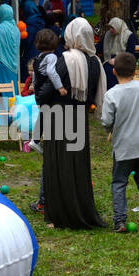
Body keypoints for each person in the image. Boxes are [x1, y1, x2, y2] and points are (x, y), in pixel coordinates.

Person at [39, 18, 105, 230]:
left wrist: (38, 96)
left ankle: (59, 215)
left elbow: (48, 90)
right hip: (79, 116)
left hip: (57, 115)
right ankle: (80, 208)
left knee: (57, 166)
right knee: (77, 166)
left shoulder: (65, 59)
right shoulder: (95, 62)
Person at [100, 52, 139, 233]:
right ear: (135, 71)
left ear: (114, 71)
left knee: (119, 182)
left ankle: (120, 221)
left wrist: (110, 129)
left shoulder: (111, 94)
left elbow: (107, 121)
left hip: (123, 147)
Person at [0, 3, 20, 86]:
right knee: (12, 89)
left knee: (3, 92)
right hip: (14, 66)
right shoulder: (16, 29)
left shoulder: (0, 28)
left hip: (1, 66)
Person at [101, 17, 137, 89]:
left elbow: (130, 53)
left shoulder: (129, 35)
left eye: (113, 28)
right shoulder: (108, 35)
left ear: (118, 26)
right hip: (109, 60)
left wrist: (118, 60)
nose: (111, 30)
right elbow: (100, 46)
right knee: (105, 69)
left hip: (124, 61)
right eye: (110, 28)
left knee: (113, 71)